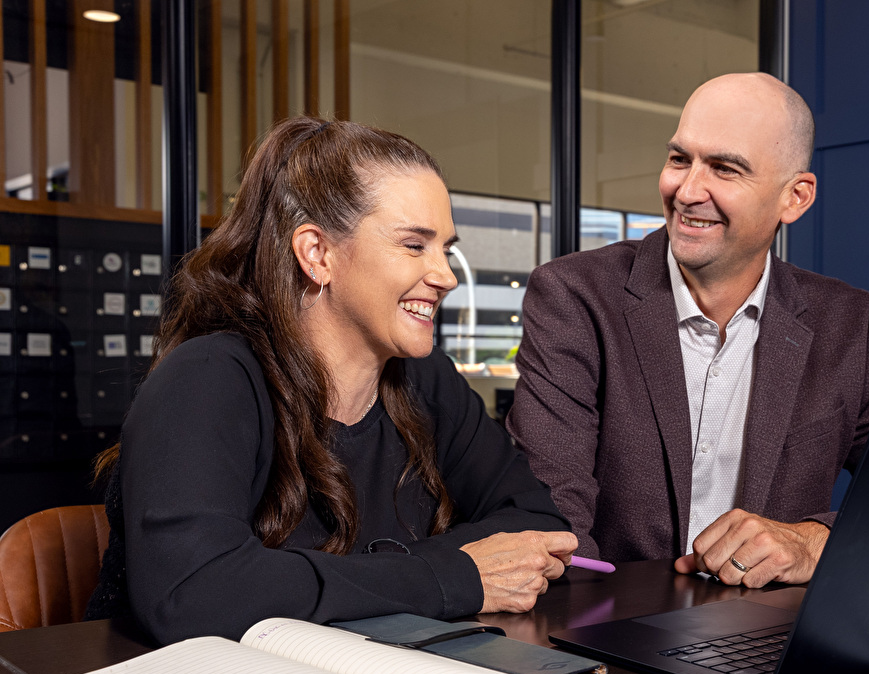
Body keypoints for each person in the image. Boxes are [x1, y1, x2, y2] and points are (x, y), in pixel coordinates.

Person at [86, 117, 577, 645]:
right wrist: (454, 575)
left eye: (445, 248)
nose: (446, 276)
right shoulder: (208, 379)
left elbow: (537, 522)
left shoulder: (425, 380)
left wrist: (375, 579)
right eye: (415, 246)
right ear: (317, 254)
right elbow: (198, 594)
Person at [507, 73, 869, 588]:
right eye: (680, 159)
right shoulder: (575, 296)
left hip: (772, 633)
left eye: (724, 168)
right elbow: (550, 516)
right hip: (609, 622)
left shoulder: (848, 323)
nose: (686, 190)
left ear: (794, 198)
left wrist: (816, 541)